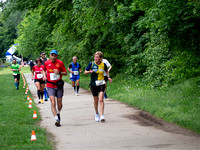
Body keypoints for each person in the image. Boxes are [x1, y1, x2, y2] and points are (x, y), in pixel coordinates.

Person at [84, 51, 112, 122]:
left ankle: (102, 115)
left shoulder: (103, 64)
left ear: (100, 58)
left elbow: (106, 71)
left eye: (97, 57)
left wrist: (108, 77)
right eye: (95, 57)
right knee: (95, 100)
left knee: (101, 99)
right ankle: (96, 113)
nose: (95, 58)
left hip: (102, 83)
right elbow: (85, 72)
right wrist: (89, 72)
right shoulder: (91, 64)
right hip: (94, 84)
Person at [44, 50, 67, 127]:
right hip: (50, 85)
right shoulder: (46, 63)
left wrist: (59, 72)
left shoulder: (60, 63)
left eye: (55, 55)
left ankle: (58, 112)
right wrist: (44, 75)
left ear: (57, 56)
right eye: (52, 55)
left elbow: (65, 73)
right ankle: (56, 118)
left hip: (58, 85)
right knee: (53, 102)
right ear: (50, 55)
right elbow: (43, 70)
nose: (53, 57)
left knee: (59, 104)